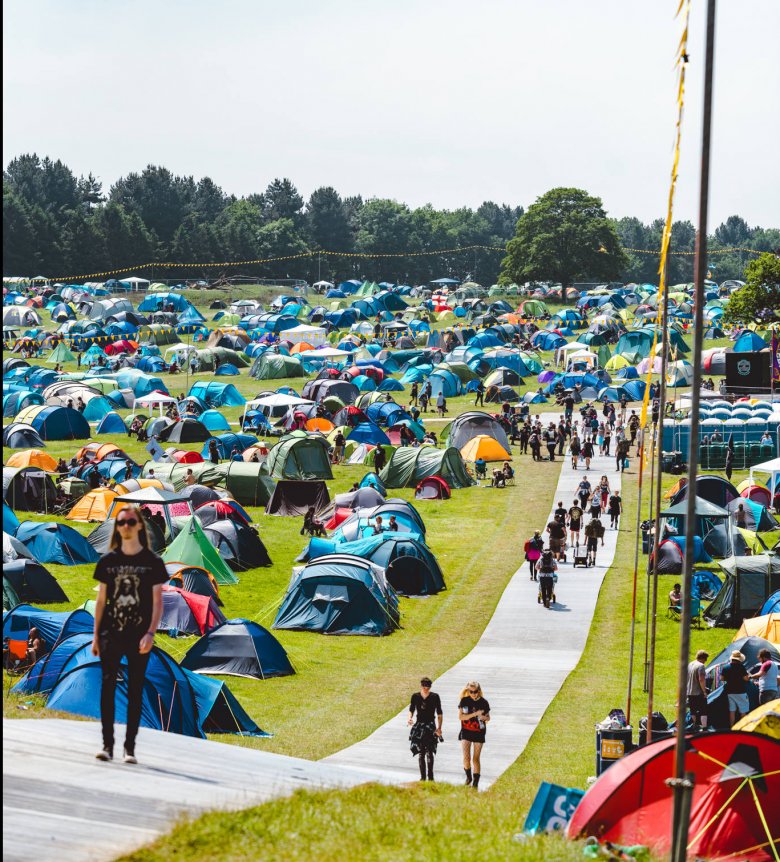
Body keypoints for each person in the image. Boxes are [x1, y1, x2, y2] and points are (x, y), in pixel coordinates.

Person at [92, 504, 166, 763]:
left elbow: (158, 602)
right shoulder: (108, 561)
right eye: (121, 522)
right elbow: (101, 601)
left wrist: (150, 633)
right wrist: (95, 637)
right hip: (110, 632)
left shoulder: (152, 562)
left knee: (135, 689)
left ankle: (129, 747)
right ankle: (107, 745)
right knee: (108, 687)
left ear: (139, 526)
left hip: (139, 634)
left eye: (130, 522)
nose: (125, 526)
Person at [408, 677, 443, 781]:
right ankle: (422, 777)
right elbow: (411, 709)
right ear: (421, 686)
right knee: (421, 752)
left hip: (430, 726)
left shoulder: (435, 697)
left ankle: (431, 777)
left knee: (430, 751)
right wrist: (409, 718)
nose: (426, 688)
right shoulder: (415, 696)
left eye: (428, 687)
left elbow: (439, 713)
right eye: (424, 686)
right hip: (419, 726)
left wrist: (439, 728)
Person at [458, 681, 490, 789]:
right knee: (466, 758)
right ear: (468, 691)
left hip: (479, 733)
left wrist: (484, 718)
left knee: (476, 759)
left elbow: (488, 718)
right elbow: (461, 717)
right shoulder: (464, 701)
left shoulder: (484, 702)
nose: (473, 694)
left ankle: (475, 784)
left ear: (479, 691)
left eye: (475, 692)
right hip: (466, 732)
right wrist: (475, 714)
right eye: (471, 692)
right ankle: (468, 777)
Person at [722, 650, 750, 726]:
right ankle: (742, 727)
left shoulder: (725, 667)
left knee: (732, 711)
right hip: (740, 691)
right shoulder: (741, 667)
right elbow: (746, 678)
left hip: (730, 691)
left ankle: (732, 727)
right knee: (743, 711)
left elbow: (722, 678)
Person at [686, 650, 709, 728]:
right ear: (703, 658)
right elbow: (701, 679)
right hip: (698, 692)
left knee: (693, 710)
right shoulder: (701, 666)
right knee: (703, 711)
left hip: (689, 691)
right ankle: (704, 727)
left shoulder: (690, 664)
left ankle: (694, 726)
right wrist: (704, 691)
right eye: (705, 659)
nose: (705, 661)